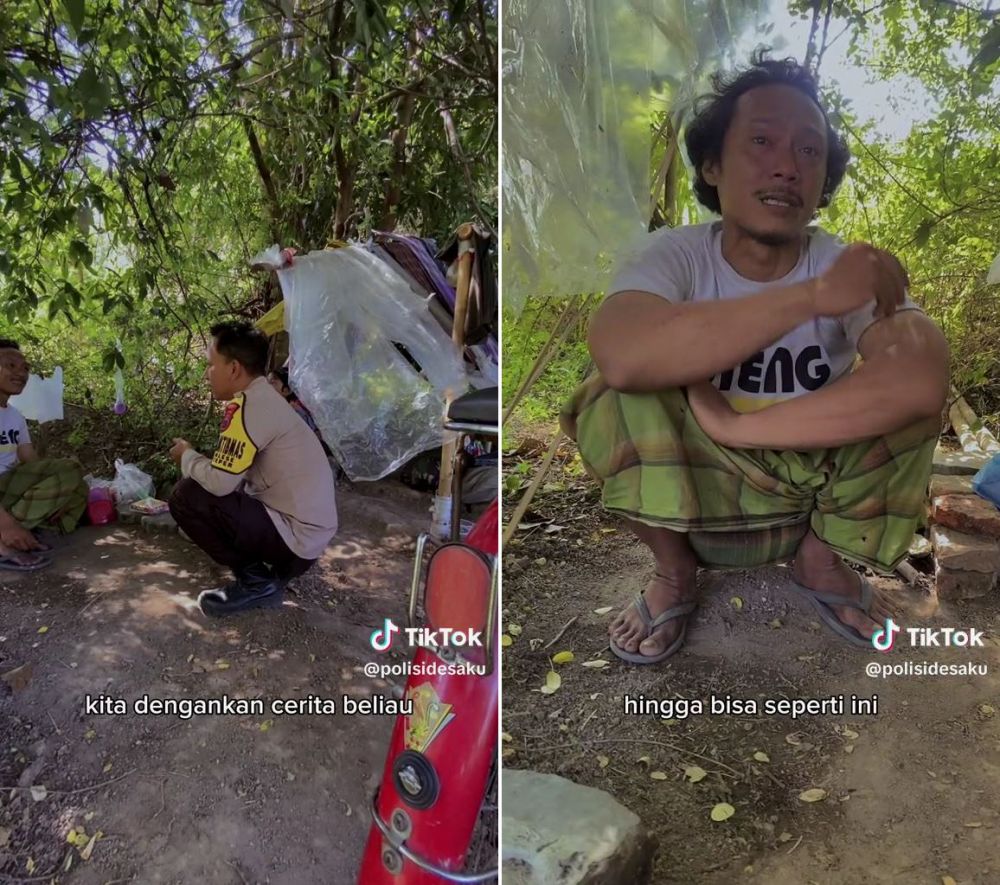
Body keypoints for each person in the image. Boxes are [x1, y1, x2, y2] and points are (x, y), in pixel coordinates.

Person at [561, 52, 949, 663]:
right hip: (695, 488)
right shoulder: (675, 256)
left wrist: (737, 425)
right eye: (762, 141)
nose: (787, 167)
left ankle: (820, 562)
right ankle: (673, 572)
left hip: (810, 493)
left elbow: (921, 379)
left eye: (809, 150)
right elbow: (622, 353)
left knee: (913, 403)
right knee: (607, 393)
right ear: (712, 165)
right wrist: (812, 298)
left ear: (823, 180)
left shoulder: (841, 261)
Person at [168, 321, 338, 616]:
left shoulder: (248, 408)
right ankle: (266, 576)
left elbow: (220, 483)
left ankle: (257, 583)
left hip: (296, 541)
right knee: (206, 485)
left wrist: (187, 456)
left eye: (211, 365)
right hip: (307, 540)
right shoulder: (264, 399)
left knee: (186, 495)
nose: (207, 373)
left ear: (234, 369)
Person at [0, 339, 87, 571]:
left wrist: (59, 494)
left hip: (9, 487)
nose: (21, 373)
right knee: (69, 470)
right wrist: (5, 523)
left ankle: (27, 529)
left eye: (25, 368)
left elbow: (32, 463)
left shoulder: (15, 416)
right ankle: (6, 537)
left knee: (79, 485)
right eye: (10, 365)